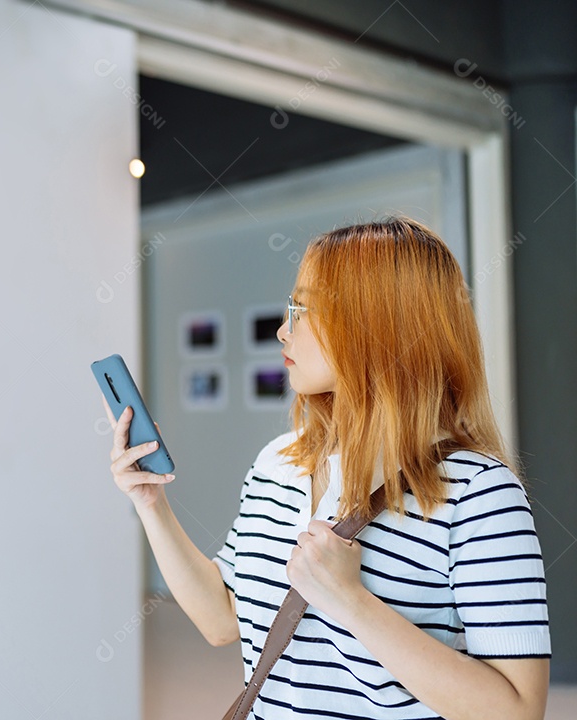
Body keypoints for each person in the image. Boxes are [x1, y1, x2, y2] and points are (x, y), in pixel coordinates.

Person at [103, 217, 550, 720]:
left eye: (302, 308)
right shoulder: (277, 462)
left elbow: (517, 710)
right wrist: (151, 504)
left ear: (377, 325)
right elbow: (221, 621)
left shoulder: (480, 494)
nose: (282, 329)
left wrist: (351, 601)